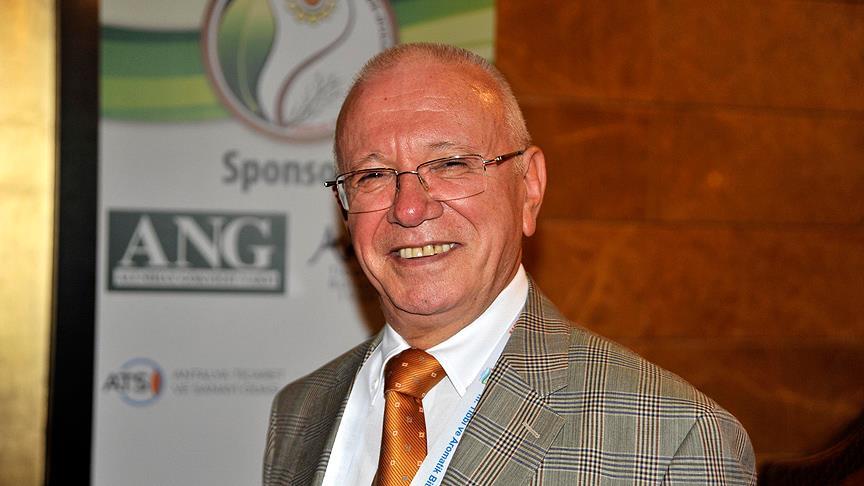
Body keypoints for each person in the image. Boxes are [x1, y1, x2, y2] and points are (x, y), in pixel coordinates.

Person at [263, 43, 756, 486]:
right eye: (372, 175)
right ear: (344, 204)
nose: (409, 208)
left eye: (451, 164)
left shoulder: (674, 441)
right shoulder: (301, 411)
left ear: (530, 187)